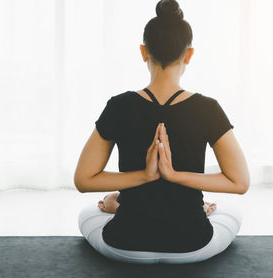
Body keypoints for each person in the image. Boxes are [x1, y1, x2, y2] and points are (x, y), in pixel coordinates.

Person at [74, 0, 250, 264]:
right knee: (230, 211)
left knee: (88, 212)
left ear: (144, 52)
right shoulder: (207, 108)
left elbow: (84, 180)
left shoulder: (119, 105)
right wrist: (174, 176)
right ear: (189, 55)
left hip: (125, 245)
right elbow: (240, 183)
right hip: (192, 246)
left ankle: (118, 203)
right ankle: (195, 209)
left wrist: (144, 176)